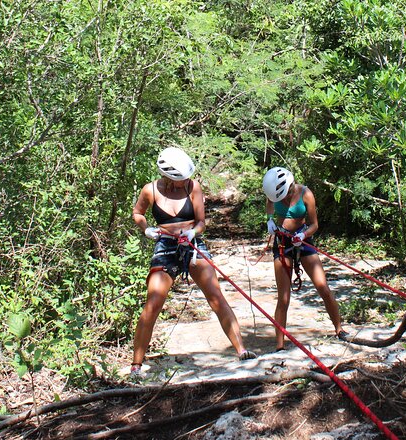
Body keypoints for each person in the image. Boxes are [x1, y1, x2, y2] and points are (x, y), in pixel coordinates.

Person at [131, 147, 256, 376]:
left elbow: (201, 221)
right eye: (178, 180)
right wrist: (145, 228)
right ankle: (136, 365)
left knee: (215, 296)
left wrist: (193, 232)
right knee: (153, 303)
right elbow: (137, 213)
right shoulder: (150, 190)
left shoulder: (193, 187)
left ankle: (241, 350)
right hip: (165, 246)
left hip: (192, 244)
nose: (183, 183)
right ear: (166, 176)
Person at [262, 167, 350, 351]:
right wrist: (270, 220)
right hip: (282, 242)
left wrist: (302, 236)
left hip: (303, 241)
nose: (283, 200)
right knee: (283, 298)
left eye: (285, 196)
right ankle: (280, 345)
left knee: (322, 287)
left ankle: (339, 329)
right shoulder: (274, 191)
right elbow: (270, 204)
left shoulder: (305, 194)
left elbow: (314, 224)